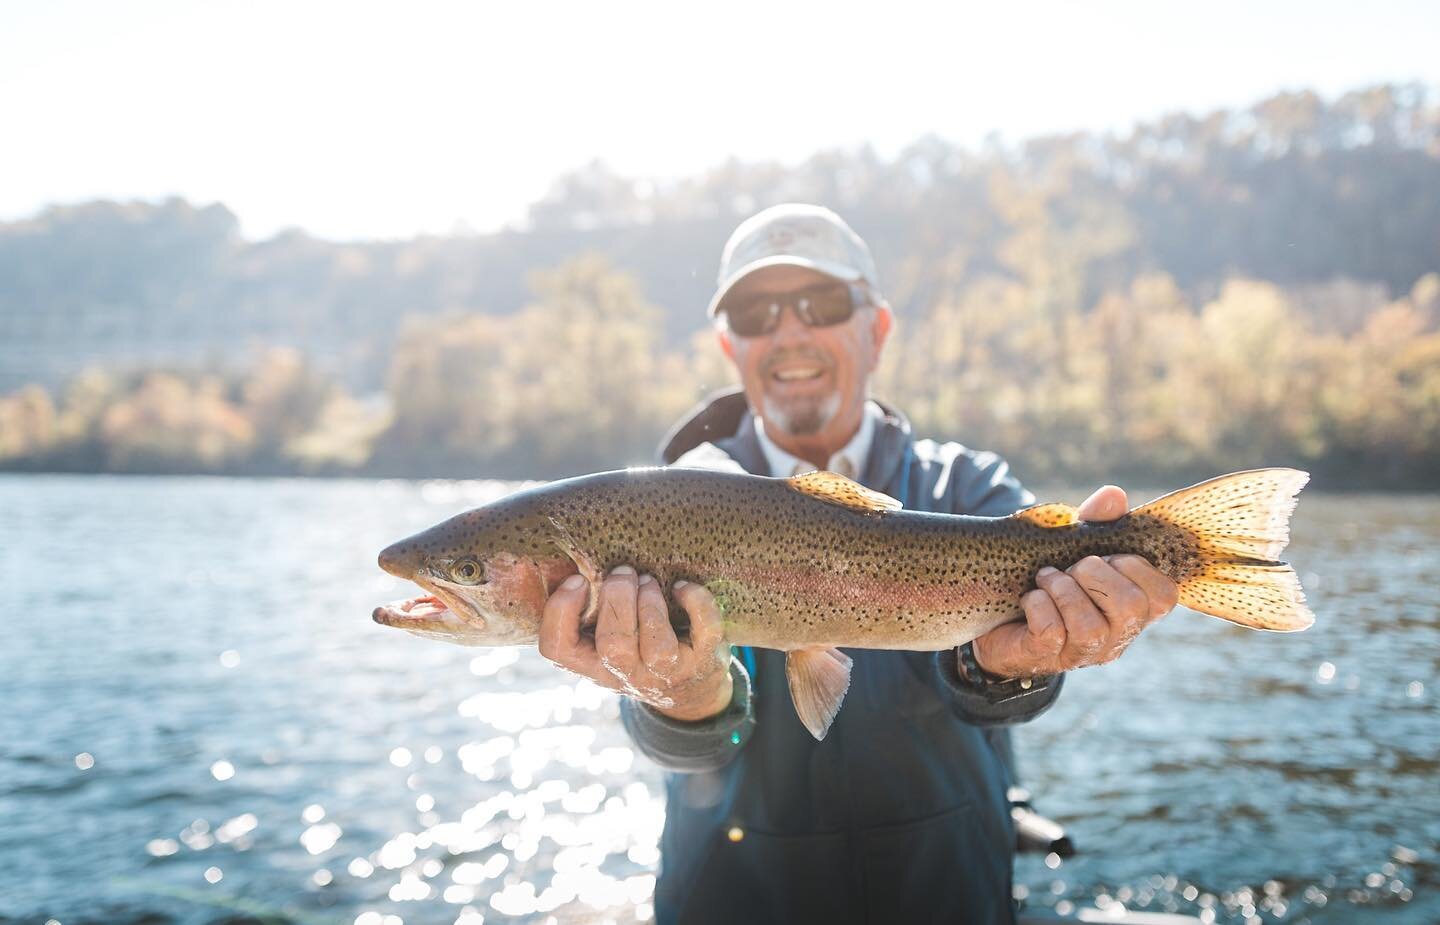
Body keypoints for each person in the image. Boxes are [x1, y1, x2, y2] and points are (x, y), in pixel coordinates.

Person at [536, 204, 1179, 924]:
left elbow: (1018, 690)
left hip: (946, 898)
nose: (789, 330)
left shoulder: (965, 489)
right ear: (729, 345)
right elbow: (680, 745)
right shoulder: (667, 503)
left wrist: (1008, 666)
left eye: (821, 302)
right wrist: (683, 697)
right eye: (756, 312)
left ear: (875, 329)